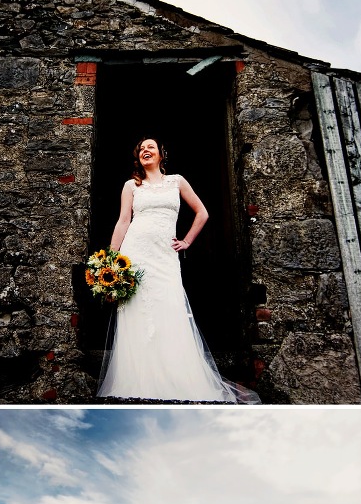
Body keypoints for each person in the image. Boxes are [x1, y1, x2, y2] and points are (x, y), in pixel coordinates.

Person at [96, 136, 258, 404]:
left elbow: (202, 213)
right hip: (134, 254)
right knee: (137, 311)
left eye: (151, 147)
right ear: (137, 158)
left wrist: (186, 241)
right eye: (141, 149)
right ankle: (138, 380)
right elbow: (123, 221)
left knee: (169, 308)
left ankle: (175, 378)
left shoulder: (177, 181)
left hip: (165, 257)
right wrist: (110, 260)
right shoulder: (131, 186)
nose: (146, 151)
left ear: (162, 154)